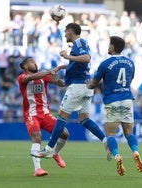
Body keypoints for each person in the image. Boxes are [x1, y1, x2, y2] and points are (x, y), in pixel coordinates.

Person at [32, 23, 106, 158]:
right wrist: (60, 67)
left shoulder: (80, 43)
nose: (65, 35)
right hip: (84, 86)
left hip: (78, 87)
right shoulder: (78, 45)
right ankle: (105, 140)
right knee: (84, 119)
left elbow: (86, 58)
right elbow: (76, 64)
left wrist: (67, 56)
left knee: (61, 116)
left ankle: (49, 149)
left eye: (66, 32)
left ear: (71, 32)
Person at [87, 36, 142, 176]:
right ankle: (135, 152)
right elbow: (130, 79)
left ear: (113, 46)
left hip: (112, 100)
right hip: (127, 99)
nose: (108, 47)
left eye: (109, 44)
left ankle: (117, 155)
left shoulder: (105, 63)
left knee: (111, 133)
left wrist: (86, 85)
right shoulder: (130, 62)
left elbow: (93, 84)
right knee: (129, 132)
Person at [17, 57, 69, 177]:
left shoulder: (43, 77)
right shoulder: (22, 78)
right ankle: (38, 169)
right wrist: (49, 71)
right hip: (31, 114)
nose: (35, 63)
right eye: (31, 62)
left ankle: (54, 152)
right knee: (37, 137)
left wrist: (58, 80)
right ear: (25, 66)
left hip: (46, 114)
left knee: (65, 133)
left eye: (35, 62)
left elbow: (61, 84)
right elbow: (31, 77)